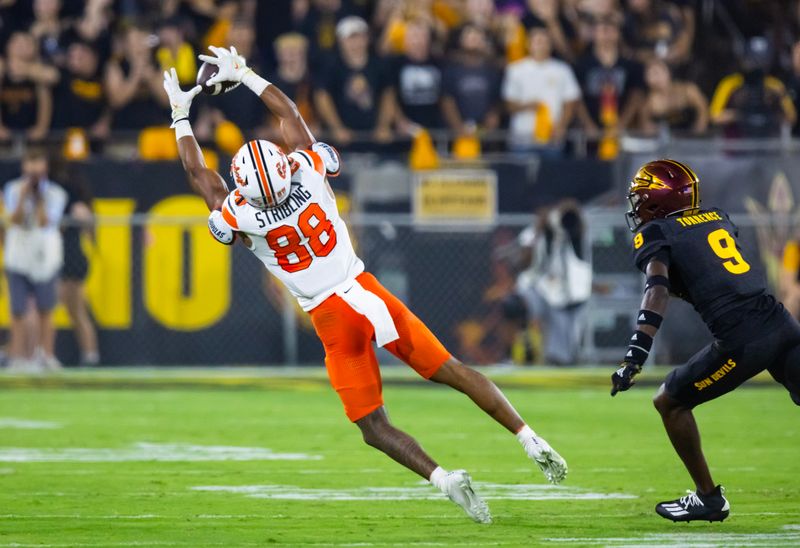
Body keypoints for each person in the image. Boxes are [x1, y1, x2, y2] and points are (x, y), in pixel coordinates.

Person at [161, 45, 567, 523]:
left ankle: (443, 479)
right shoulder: (309, 173)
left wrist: (180, 115)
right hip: (367, 292)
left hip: (330, 319)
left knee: (373, 426)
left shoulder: (239, 214)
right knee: (452, 370)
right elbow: (290, 114)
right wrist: (246, 74)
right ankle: (528, 436)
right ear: (284, 164)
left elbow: (197, 174)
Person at [611, 159, 800, 522]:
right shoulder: (717, 217)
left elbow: (657, 291)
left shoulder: (656, 233)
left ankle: (709, 498)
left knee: (670, 401)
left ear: (657, 201)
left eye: (641, 198)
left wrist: (635, 354)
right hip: (781, 323)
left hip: (743, 339)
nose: (636, 207)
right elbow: (714, 272)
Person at [3, 149, 67, 372]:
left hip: (44, 257)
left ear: (45, 166)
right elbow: (15, 220)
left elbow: (45, 223)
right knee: (18, 309)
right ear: (24, 166)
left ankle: (46, 355)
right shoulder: (12, 189)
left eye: (38, 162)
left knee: (46, 309)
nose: (34, 168)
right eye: (30, 162)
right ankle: (17, 357)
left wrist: (38, 198)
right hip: (18, 255)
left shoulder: (56, 193)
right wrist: (22, 197)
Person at [314, 16, 392, 147]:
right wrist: (337, 128)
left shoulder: (379, 65)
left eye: (359, 37)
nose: (355, 43)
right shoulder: (331, 66)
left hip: (374, 141)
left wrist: (383, 125)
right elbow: (322, 96)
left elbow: (388, 95)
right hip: (343, 145)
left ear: (367, 38)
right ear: (340, 41)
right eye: (350, 38)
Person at [502, 24, 581, 154]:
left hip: (552, 137)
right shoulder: (515, 70)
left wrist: (562, 126)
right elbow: (508, 104)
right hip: (522, 138)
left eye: (545, 41)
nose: (541, 45)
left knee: (552, 173)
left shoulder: (562, 70)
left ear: (551, 45)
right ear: (528, 44)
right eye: (537, 41)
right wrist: (526, 106)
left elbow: (571, 101)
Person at [709, 36, 796, 139]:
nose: (757, 66)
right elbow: (714, 116)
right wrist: (740, 114)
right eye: (753, 61)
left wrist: (771, 112)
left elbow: (791, 117)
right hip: (736, 145)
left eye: (761, 61)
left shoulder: (774, 85)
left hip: (767, 143)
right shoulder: (730, 83)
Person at [59, 166, 99, 366]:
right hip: (65, 259)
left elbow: (90, 232)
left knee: (77, 311)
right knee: (74, 312)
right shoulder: (74, 203)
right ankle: (89, 354)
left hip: (72, 260)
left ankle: (90, 355)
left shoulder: (75, 205)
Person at [638, 59, 708, 136]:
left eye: (657, 73)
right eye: (650, 74)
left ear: (668, 72)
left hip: (692, 137)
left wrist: (698, 131)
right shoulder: (648, 102)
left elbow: (703, 110)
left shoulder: (688, 90)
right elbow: (646, 127)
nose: (655, 78)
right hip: (667, 141)